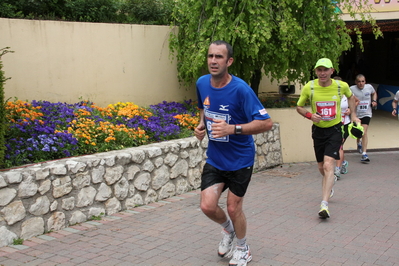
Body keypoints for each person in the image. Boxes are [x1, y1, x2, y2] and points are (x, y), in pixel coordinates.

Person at [194, 40, 273, 266]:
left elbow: (266, 123)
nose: (213, 61)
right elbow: (204, 107)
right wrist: (201, 125)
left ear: (229, 61)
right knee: (207, 206)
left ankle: (243, 248)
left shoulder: (241, 89)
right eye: (210, 56)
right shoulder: (202, 83)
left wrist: (232, 129)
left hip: (240, 160)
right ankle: (228, 231)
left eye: (219, 57)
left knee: (233, 206)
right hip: (216, 158)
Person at [297, 58, 360, 219]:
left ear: (332, 71)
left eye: (325, 70)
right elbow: (299, 106)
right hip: (318, 131)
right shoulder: (309, 87)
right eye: (319, 70)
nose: (322, 73)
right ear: (316, 71)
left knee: (328, 164)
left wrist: (353, 115)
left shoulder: (341, 86)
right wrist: (310, 115)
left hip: (335, 129)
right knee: (321, 167)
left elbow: (352, 98)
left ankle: (324, 205)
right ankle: (329, 184)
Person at [350, 74, 377, 163]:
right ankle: (358, 143)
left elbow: (374, 93)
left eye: (363, 81)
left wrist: (374, 101)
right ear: (355, 82)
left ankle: (364, 154)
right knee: (359, 132)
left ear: (365, 81)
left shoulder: (369, 87)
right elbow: (348, 99)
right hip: (356, 114)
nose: (361, 83)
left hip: (366, 113)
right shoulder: (351, 89)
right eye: (359, 81)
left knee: (364, 132)